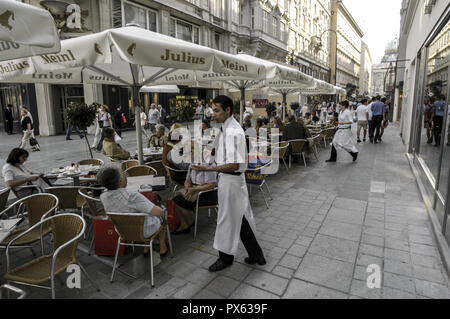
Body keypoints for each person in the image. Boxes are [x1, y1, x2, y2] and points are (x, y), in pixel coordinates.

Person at [192, 95, 266, 272]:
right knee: (238, 219)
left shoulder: (234, 131)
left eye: (217, 110)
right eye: (213, 110)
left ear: (228, 110)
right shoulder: (227, 128)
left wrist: (207, 169)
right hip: (229, 180)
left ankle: (225, 259)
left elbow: (234, 164)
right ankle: (257, 255)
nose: (213, 114)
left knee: (227, 220)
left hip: (231, 181)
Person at [97, 166, 168, 257]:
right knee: (162, 212)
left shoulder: (103, 196)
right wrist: (161, 209)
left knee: (141, 214)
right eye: (123, 174)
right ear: (120, 181)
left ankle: (146, 247)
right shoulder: (131, 195)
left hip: (123, 232)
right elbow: (159, 212)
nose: (126, 175)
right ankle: (162, 247)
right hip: (144, 231)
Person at [171, 152, 218, 235]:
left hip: (207, 193)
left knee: (178, 201)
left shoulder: (209, 164)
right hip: (195, 189)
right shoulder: (192, 163)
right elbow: (187, 180)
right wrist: (188, 188)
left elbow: (211, 185)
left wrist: (194, 189)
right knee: (175, 200)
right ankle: (187, 221)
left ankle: (187, 222)